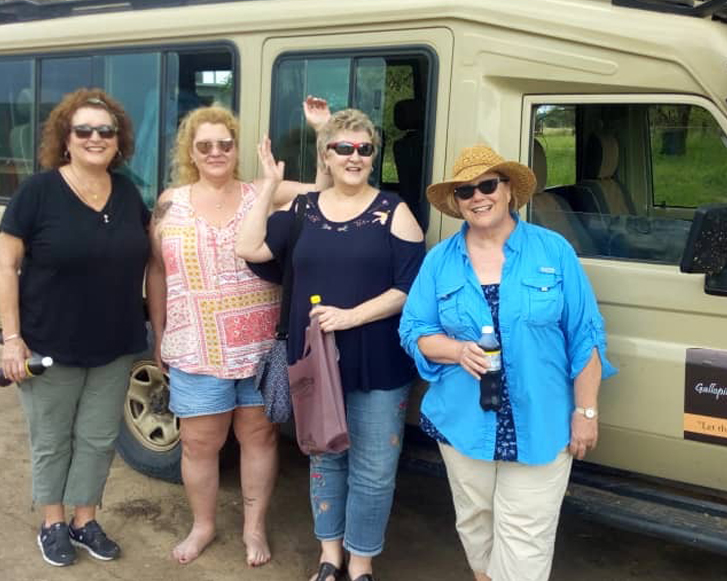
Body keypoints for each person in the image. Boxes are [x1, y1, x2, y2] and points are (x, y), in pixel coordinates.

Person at [398, 145, 617, 581]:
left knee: (525, 541)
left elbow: (586, 336)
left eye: (487, 185)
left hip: (542, 421)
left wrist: (586, 411)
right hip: (463, 423)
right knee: (475, 525)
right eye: (465, 191)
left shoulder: (553, 251)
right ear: (457, 202)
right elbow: (413, 330)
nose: (478, 197)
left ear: (508, 190)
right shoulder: (440, 261)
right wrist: (456, 350)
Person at [237, 108, 425, 581]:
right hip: (317, 364)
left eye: (364, 149)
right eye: (343, 148)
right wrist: (268, 186)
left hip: (379, 363)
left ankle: (361, 563)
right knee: (325, 458)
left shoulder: (394, 211)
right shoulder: (303, 209)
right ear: (326, 155)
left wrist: (350, 316)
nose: (354, 157)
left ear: (373, 156)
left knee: (374, 469)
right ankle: (330, 556)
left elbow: (411, 288)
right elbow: (249, 247)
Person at [146, 98, 330, 567]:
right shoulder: (170, 203)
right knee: (199, 443)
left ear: (235, 148)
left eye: (224, 144)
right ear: (190, 151)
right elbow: (158, 270)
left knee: (259, 437)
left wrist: (322, 132)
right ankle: (203, 525)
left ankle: (253, 527)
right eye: (205, 145)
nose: (215, 152)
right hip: (195, 344)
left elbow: (326, 192)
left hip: (259, 346)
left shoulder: (264, 191)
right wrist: (159, 330)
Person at [0, 88, 150, 567]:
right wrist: (10, 339)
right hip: (48, 342)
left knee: (99, 438)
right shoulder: (38, 192)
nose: (95, 138)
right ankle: (53, 523)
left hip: (114, 342)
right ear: (65, 138)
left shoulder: (127, 192)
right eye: (83, 130)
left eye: (105, 130)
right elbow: (6, 266)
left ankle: (85, 520)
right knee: (52, 440)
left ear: (118, 140)